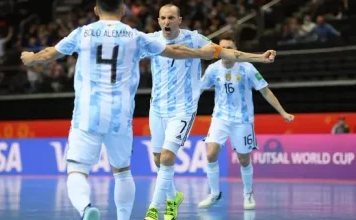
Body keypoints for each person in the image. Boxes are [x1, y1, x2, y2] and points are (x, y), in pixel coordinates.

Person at [20, 0, 218, 220]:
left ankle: (86, 208)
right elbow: (174, 51)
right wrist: (202, 52)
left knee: (76, 171)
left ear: (96, 10)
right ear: (123, 10)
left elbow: (49, 54)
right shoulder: (134, 36)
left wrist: (32, 58)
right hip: (120, 117)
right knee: (122, 172)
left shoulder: (82, 33)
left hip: (87, 116)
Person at [144, 5, 278, 220]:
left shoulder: (195, 38)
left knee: (168, 157)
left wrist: (260, 57)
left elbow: (227, 52)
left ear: (179, 19)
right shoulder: (150, 40)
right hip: (156, 108)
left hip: (182, 109)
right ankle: (173, 196)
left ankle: (155, 207)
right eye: (162, 18)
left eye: (171, 18)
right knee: (159, 160)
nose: (166, 22)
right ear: (158, 20)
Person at [198, 38, 294, 210]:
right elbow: (198, 89)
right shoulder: (213, 69)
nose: (225, 50)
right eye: (222, 47)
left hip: (242, 120)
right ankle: (214, 193)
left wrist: (283, 112)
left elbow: (265, 90)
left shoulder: (247, 68)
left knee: (244, 159)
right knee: (211, 153)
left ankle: (248, 193)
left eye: (229, 47)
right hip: (220, 118)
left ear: (236, 50)